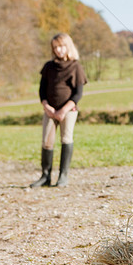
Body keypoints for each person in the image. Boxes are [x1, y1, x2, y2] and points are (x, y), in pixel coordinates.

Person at [30, 33, 87, 188]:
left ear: (68, 46)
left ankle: (63, 176)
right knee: (47, 142)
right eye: (55, 47)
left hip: (68, 110)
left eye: (61, 46)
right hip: (50, 110)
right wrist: (46, 106)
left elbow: (78, 93)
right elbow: (42, 90)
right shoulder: (49, 67)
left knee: (66, 139)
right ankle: (45, 176)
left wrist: (63, 110)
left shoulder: (76, 66)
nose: (58, 50)